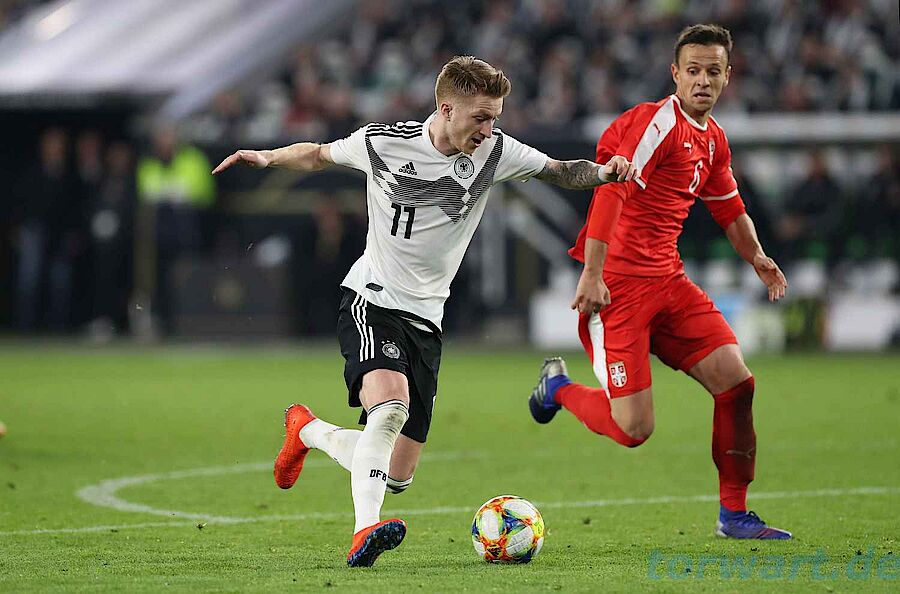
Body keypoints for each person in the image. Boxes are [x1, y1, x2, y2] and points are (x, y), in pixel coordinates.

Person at [213, 55, 636, 567]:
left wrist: (605, 173)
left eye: (495, 118)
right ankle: (363, 532)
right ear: (446, 108)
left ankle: (307, 430)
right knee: (390, 409)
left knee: (396, 474)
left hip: (427, 320)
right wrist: (266, 157)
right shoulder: (382, 142)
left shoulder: (496, 152)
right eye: (481, 117)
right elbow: (320, 155)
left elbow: (561, 170)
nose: (489, 129)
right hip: (372, 299)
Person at [528, 24, 792, 540]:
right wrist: (593, 274)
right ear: (675, 73)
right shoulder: (656, 125)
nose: (702, 81)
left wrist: (757, 256)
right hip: (619, 288)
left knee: (737, 383)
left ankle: (734, 514)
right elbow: (611, 192)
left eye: (713, 71)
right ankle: (557, 388)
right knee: (634, 429)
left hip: (669, 282)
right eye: (693, 70)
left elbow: (729, 207)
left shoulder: (713, 139)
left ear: (727, 77)